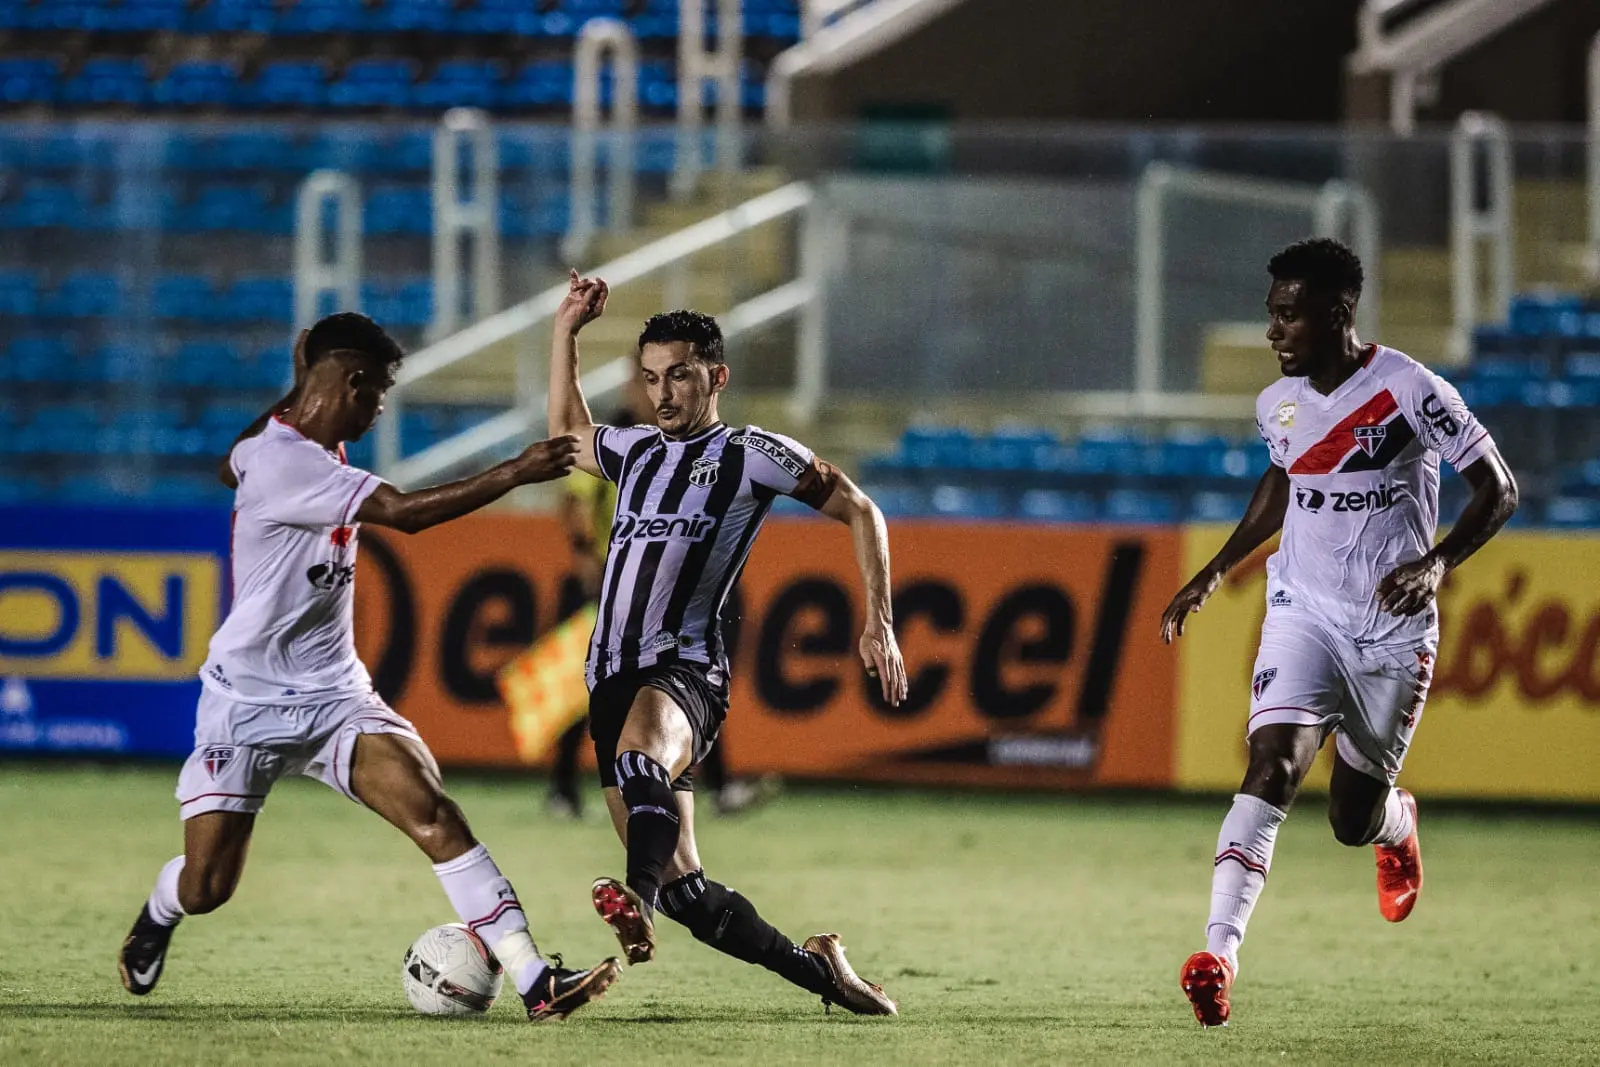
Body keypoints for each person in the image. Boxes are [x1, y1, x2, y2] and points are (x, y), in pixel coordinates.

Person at [118, 312, 623, 1022]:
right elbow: (407, 514)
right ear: (351, 381)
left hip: (335, 697)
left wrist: (300, 384)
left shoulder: (283, 446)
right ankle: (159, 911)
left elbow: (224, 460)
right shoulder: (289, 462)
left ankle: (536, 979)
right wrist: (518, 469)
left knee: (436, 814)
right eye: (377, 392)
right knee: (207, 886)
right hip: (247, 703)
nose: (380, 406)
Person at [1160, 239, 1519, 1027]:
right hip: (1304, 615)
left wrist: (1438, 561)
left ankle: (1396, 823)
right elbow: (1284, 480)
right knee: (1273, 765)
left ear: (1338, 313)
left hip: (1393, 633)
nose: (1273, 332)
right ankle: (1217, 954)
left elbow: (1499, 488)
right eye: (1271, 315)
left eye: (1288, 315)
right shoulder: (1276, 405)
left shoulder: (1408, 389)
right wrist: (1217, 568)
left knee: (1350, 818)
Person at [548, 270, 908, 1015]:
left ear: (716, 375)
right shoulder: (636, 451)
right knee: (693, 893)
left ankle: (633, 903)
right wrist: (565, 334)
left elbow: (861, 509)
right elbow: (563, 440)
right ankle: (822, 972)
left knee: (643, 761)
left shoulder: (751, 453)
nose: (662, 392)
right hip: (607, 677)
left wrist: (881, 620)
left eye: (678, 374)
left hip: (685, 671)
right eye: (651, 377)